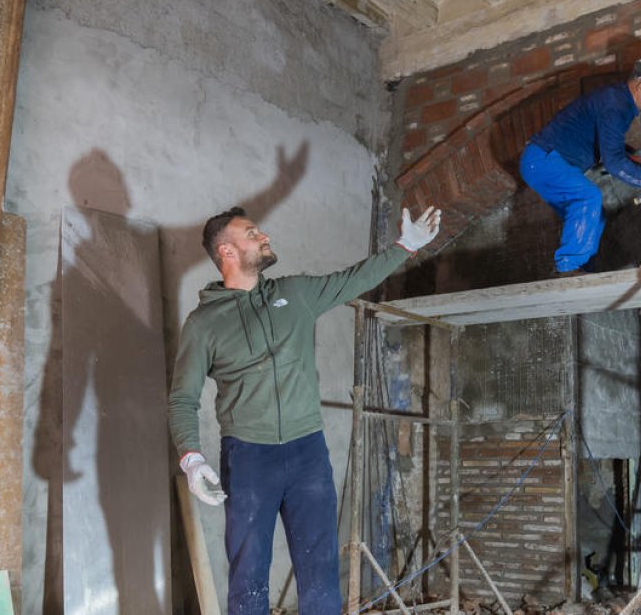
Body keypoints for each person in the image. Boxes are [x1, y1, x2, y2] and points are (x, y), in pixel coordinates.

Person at [168, 204, 442, 614]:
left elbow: (352, 281)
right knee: (249, 579)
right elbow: (183, 397)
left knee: (320, 574)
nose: (265, 237)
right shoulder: (204, 324)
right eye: (253, 233)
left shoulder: (292, 295)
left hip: (307, 455)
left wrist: (405, 246)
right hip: (248, 458)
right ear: (227, 251)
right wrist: (191, 457)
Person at [521, 57, 641, 275]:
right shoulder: (615, 103)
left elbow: (604, 146)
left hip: (546, 162)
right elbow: (614, 163)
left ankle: (585, 269)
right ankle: (568, 269)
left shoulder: (617, 102)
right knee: (587, 197)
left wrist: (626, 157)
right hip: (543, 159)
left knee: (594, 215)